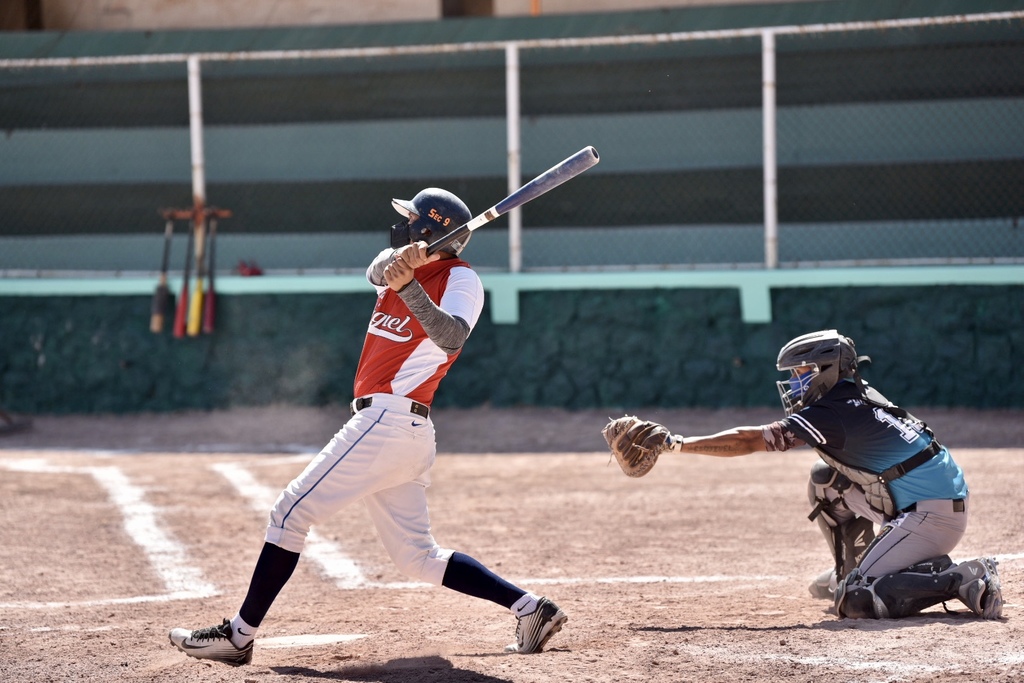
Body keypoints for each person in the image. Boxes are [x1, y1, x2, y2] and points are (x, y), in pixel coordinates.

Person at [169, 188, 567, 666]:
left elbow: (452, 336)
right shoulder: (398, 266)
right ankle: (530, 608)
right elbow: (377, 269)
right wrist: (404, 265)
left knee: (288, 513)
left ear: (428, 230)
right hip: (395, 430)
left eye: (409, 221)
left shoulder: (463, 280)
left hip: (391, 419)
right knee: (418, 557)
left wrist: (411, 288)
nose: (398, 226)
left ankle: (239, 636)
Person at [660, 329, 1002, 620]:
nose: (794, 383)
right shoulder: (855, 394)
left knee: (856, 599)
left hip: (930, 515)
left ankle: (960, 578)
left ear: (827, 369)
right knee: (826, 481)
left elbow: (751, 440)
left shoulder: (833, 412)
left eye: (801, 373)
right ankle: (852, 569)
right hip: (923, 503)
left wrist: (676, 444)